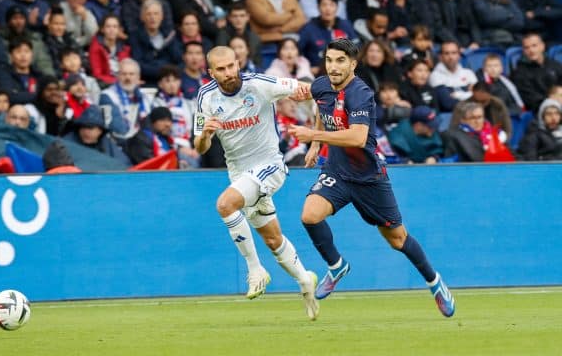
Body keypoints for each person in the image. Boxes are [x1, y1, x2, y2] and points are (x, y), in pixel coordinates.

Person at [287, 38, 455, 317]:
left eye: (340, 61)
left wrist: (313, 136)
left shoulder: (360, 93)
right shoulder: (321, 85)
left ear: (353, 64)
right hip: (338, 172)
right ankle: (336, 266)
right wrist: (316, 145)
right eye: (329, 60)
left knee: (398, 239)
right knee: (310, 215)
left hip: (368, 178)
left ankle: (435, 284)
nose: (333, 66)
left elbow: (357, 136)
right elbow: (321, 107)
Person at [194, 46, 319, 320]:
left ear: (238, 63)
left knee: (225, 204)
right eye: (221, 69)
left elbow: (310, 90)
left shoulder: (261, 84)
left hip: (270, 166)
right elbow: (199, 146)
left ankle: (255, 269)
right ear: (211, 72)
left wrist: (316, 136)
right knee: (273, 238)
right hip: (239, 175)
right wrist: (205, 135)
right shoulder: (205, 97)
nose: (228, 73)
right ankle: (305, 280)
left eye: (231, 66)